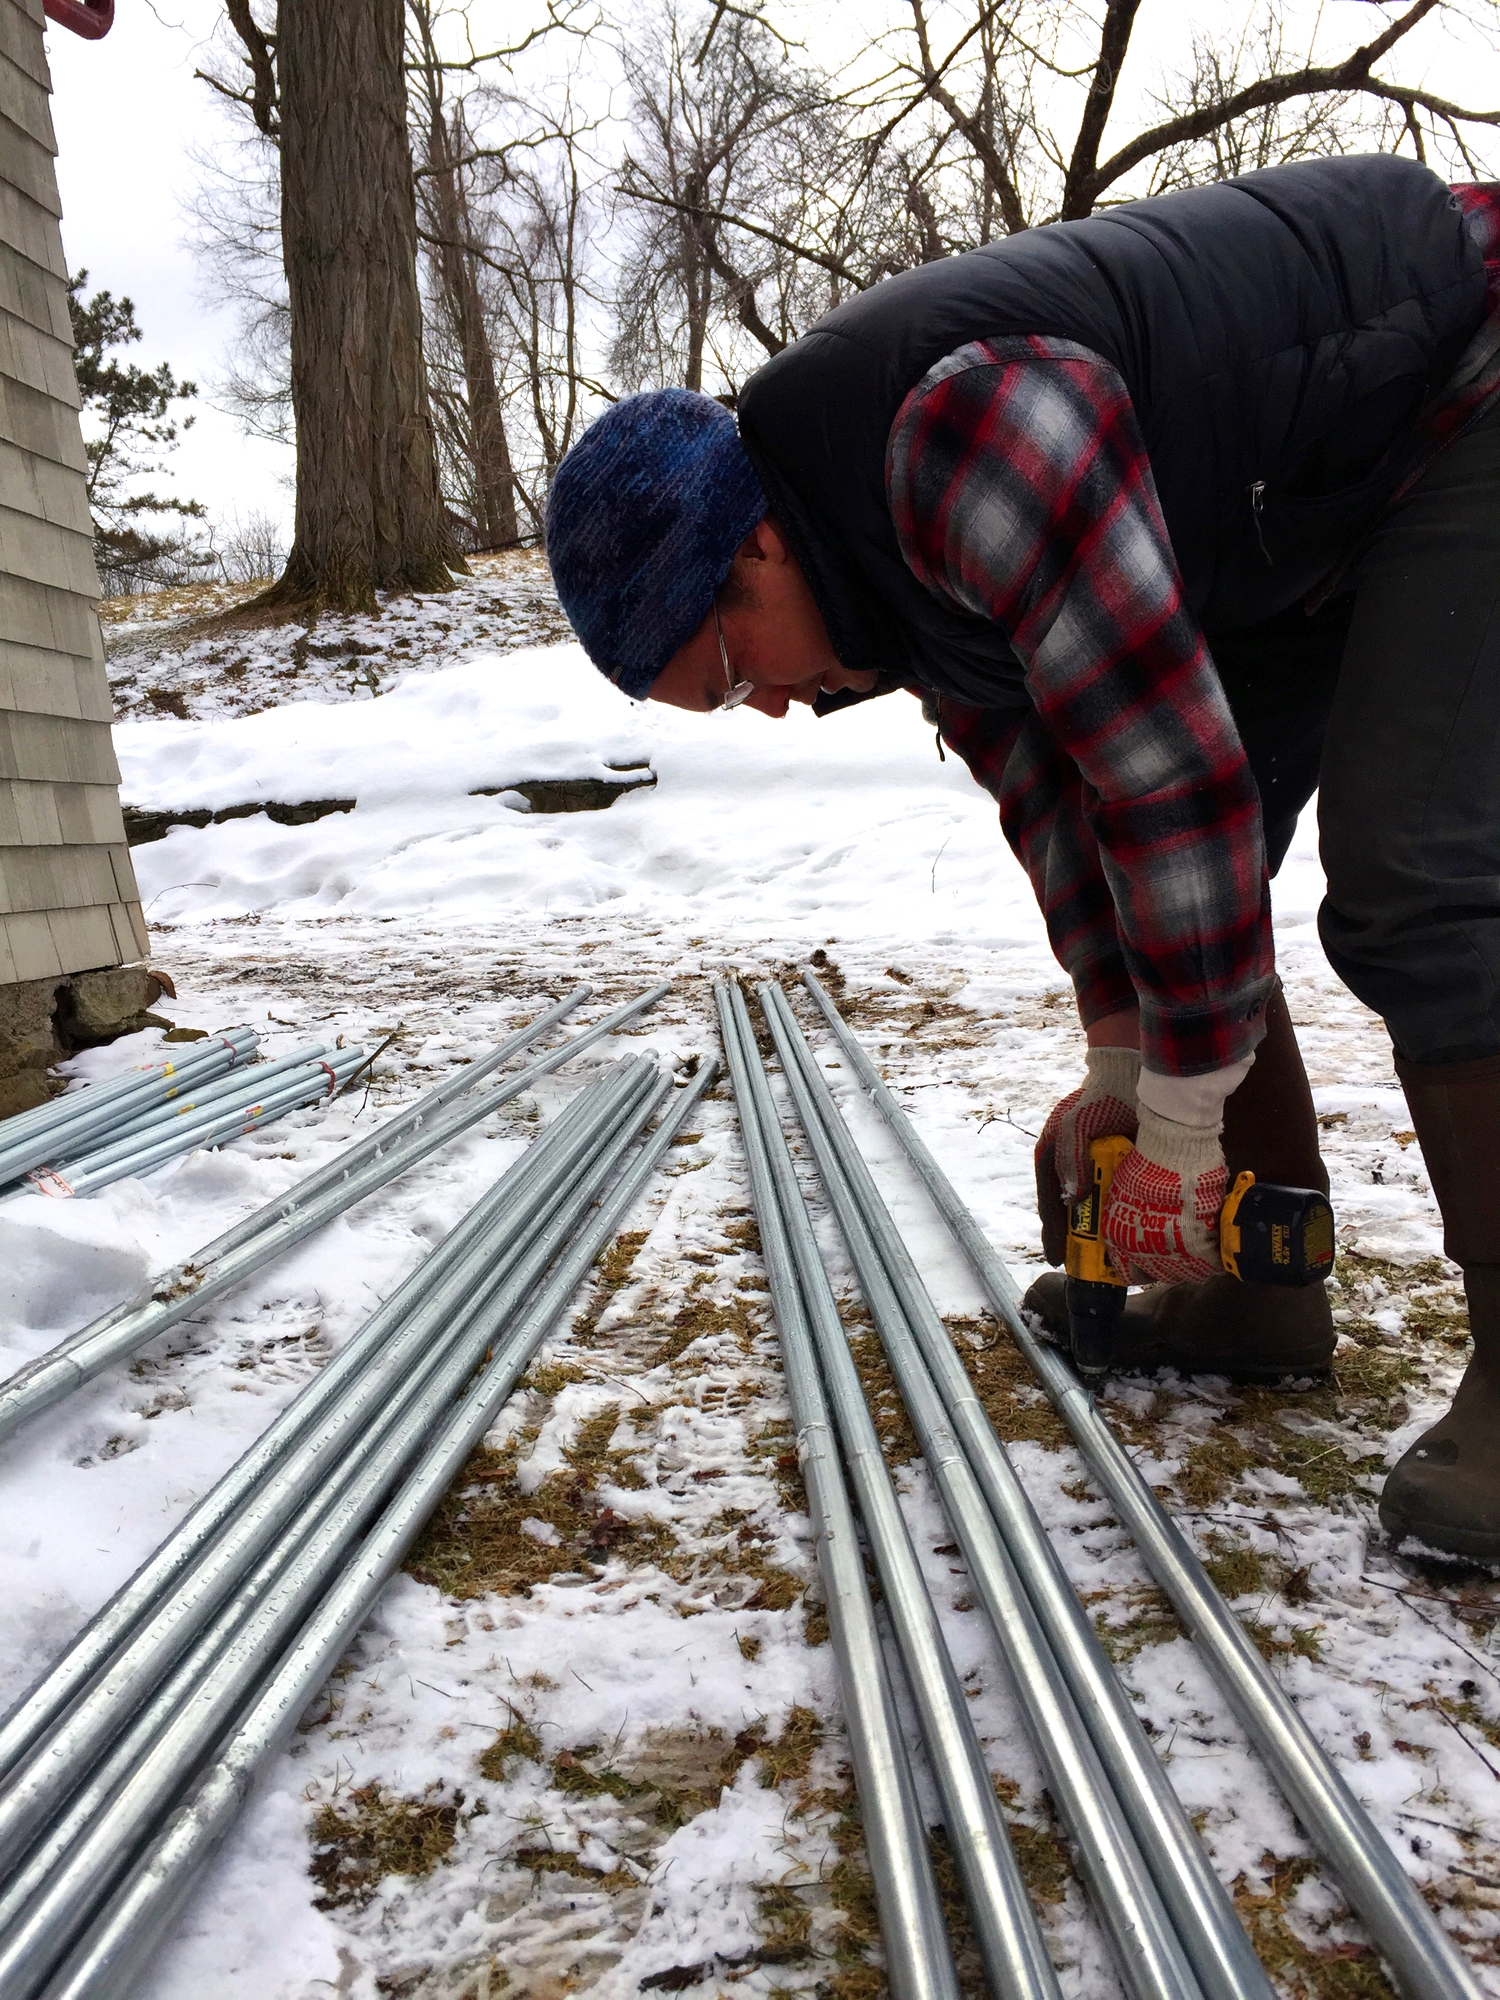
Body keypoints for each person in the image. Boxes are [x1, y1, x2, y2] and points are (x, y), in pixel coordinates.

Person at [544, 155, 1500, 1565]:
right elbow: (1073, 810)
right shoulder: (881, 581)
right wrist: (1125, 1076)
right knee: (1169, 882)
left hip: (1459, 381)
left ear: (754, 548)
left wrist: (1177, 1131)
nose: (762, 708)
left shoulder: (962, 438)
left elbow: (1177, 782)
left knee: (1416, 874)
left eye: (733, 669)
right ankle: (1254, 1277)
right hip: (1298, 503)